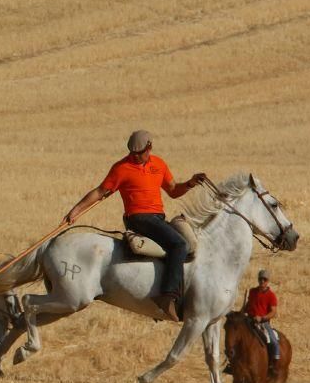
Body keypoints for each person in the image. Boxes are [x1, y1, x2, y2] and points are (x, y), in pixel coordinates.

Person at [63, 130, 206, 322]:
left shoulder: (159, 164)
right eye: (132, 153)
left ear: (150, 148)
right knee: (179, 244)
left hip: (157, 218)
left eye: (139, 153)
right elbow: (99, 191)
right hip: (138, 217)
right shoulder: (121, 168)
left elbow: (173, 190)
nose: (135, 156)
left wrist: (189, 183)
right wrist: (75, 211)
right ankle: (167, 297)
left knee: (188, 243)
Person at [245, 269, 280, 377]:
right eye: (260, 279)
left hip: (263, 323)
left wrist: (262, 318)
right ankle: (231, 363)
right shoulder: (252, 292)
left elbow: (273, 312)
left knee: (274, 342)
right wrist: (241, 313)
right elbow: (247, 306)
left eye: (264, 279)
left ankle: (274, 364)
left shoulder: (271, 295)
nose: (262, 281)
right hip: (249, 321)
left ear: (268, 281)